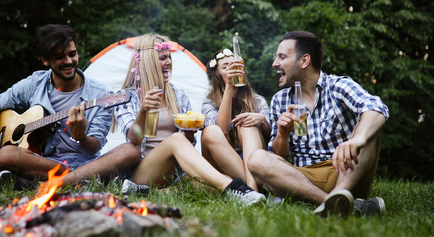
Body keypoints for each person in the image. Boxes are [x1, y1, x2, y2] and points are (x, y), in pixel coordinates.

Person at [247, 31, 390, 217]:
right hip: (302, 178)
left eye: (282, 57)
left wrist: (357, 140)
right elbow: (279, 155)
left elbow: (377, 107)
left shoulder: (339, 86)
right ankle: (335, 204)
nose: (275, 63)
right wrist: (283, 133)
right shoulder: (279, 100)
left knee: (371, 129)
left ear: (304, 61)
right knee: (257, 158)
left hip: (345, 171)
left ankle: (340, 195)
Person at [0, 24, 140, 189]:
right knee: (5, 154)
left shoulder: (102, 94)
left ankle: (47, 185)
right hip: (45, 163)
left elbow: (94, 148)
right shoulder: (35, 83)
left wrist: (81, 137)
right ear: (45, 60)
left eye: (72, 54)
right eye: (59, 57)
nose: (69, 61)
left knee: (130, 151)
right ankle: (74, 181)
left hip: (86, 164)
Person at [114, 33, 265, 205]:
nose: (169, 63)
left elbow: (187, 144)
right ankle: (234, 189)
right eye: (163, 58)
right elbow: (133, 138)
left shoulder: (177, 94)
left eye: (170, 57)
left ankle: (150, 192)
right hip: (144, 170)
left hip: (175, 173)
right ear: (149, 62)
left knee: (211, 182)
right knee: (176, 140)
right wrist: (143, 111)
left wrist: (189, 132)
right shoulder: (126, 96)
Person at [201, 48, 271, 191]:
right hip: (223, 166)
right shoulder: (208, 103)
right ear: (217, 75)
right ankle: (256, 188)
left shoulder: (258, 101)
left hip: (255, 160)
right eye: (226, 67)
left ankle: (252, 191)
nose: (232, 69)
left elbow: (272, 139)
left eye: (235, 65)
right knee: (211, 131)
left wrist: (262, 121)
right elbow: (221, 130)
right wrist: (229, 88)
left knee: (247, 124)